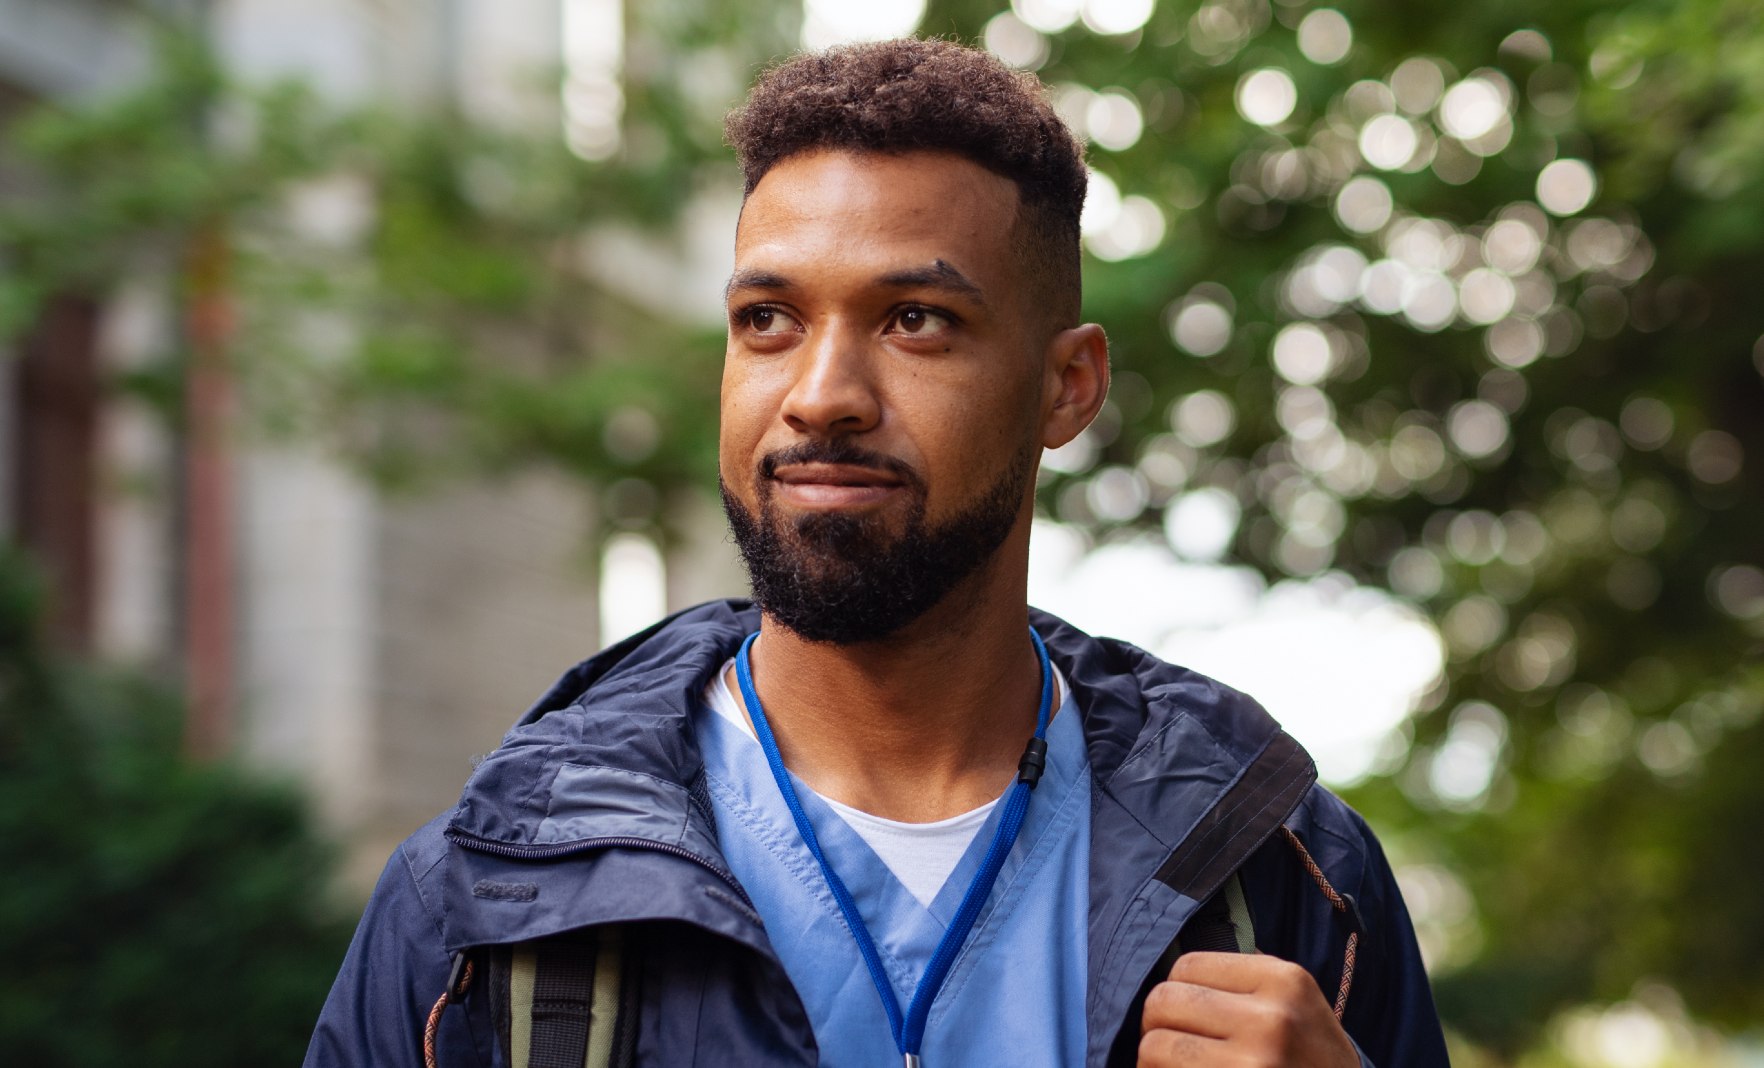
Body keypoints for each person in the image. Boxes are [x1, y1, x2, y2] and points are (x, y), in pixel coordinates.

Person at [306, 38, 1448, 1068]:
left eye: (916, 321)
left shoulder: (1289, 875)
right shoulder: (486, 910)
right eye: (769, 320)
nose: (821, 396)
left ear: (1068, 385)